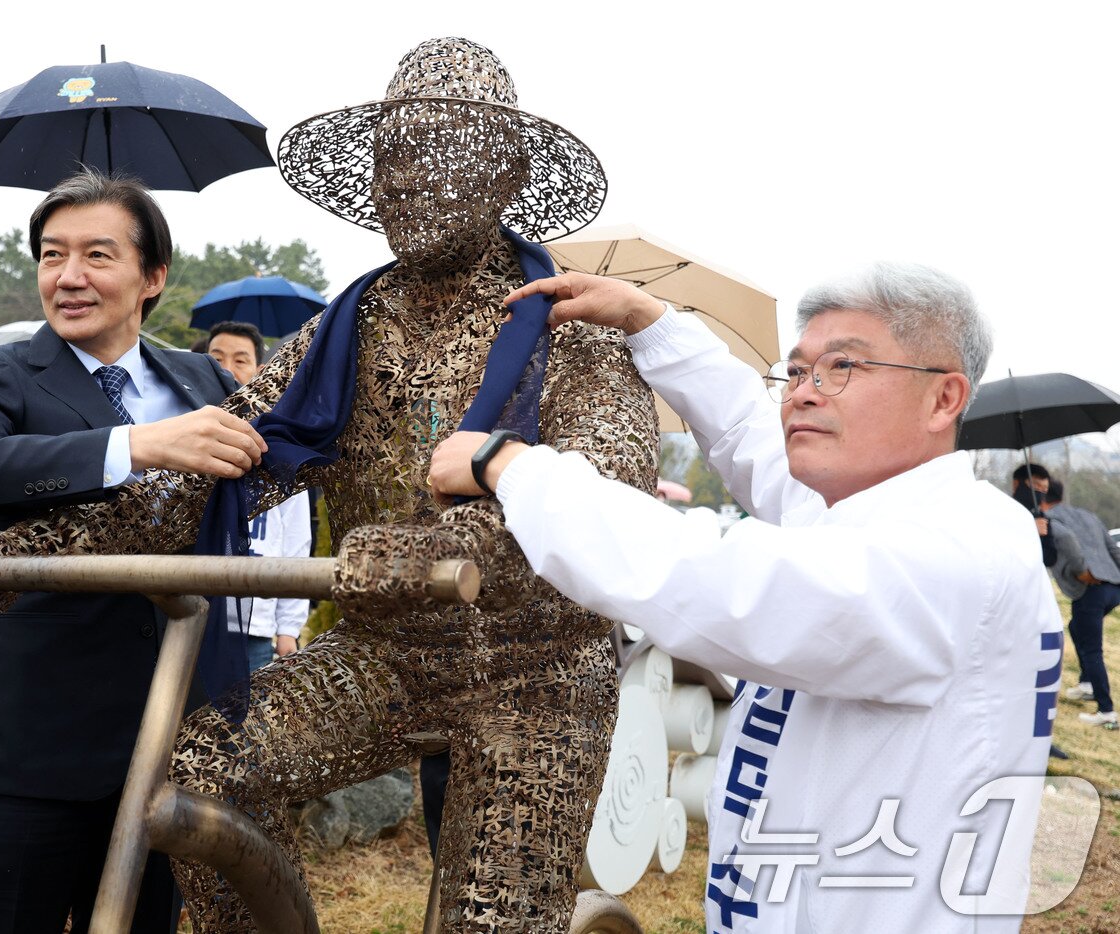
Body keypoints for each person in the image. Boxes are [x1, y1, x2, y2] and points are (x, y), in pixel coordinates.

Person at [0, 37, 653, 933]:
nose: (409, 182)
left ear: (505, 174)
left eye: (436, 155)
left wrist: (456, 542)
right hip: (387, 653)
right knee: (205, 773)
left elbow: (611, 483)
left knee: (492, 916)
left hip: (533, 672)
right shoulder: (347, 329)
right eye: (392, 159)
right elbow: (206, 478)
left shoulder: (571, 324)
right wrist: (19, 553)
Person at [431, 263, 1062, 932]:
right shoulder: (860, 510)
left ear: (943, 399)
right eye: (797, 372)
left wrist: (512, 467)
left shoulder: (961, 552)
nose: (802, 395)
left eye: (842, 367)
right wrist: (652, 322)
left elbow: (719, 585)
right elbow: (746, 432)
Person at [0, 169, 265, 934]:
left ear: (153, 277)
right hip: (27, 757)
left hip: (169, 749)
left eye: (97, 255)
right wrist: (133, 445)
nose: (68, 276)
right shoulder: (0, 373)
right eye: (52, 254)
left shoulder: (204, 379)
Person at [206, 320, 311, 670]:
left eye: (240, 360)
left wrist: (288, 628)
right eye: (216, 359)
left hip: (253, 625)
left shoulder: (279, 447)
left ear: (260, 371)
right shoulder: (184, 435)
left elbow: (296, 543)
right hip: (194, 616)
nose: (227, 369)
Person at [1043, 481, 1120, 726]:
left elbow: (1067, 541)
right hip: (1113, 586)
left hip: (1090, 588)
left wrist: (1082, 572)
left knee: (1092, 649)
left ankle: (1106, 711)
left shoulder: (1049, 520)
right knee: (1077, 627)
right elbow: (1113, 548)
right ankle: (1087, 684)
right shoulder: (1087, 515)